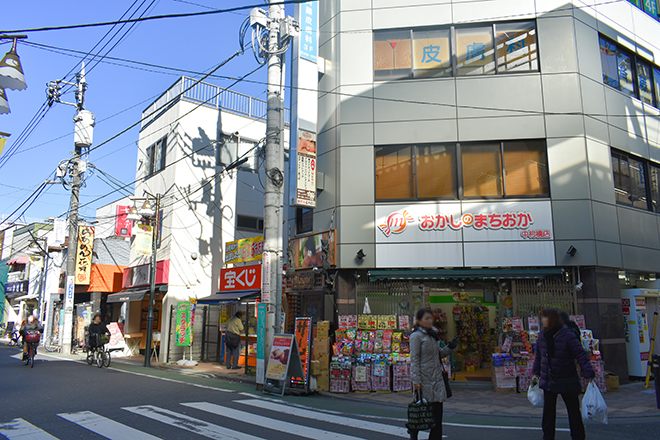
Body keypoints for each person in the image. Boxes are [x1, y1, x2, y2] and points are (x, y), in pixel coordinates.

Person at [532, 308, 595, 440]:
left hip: (567, 377)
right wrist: (536, 371)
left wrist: (588, 371)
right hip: (549, 378)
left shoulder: (567, 335)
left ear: (553, 319)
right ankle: (547, 436)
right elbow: (539, 355)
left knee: (573, 410)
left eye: (545, 318)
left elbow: (580, 354)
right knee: (548, 412)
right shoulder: (543, 335)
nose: (542, 321)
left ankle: (578, 436)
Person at [409, 308, 457, 440]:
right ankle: (414, 431)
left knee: (437, 417)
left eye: (431, 318)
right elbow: (414, 360)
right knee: (423, 413)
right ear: (419, 321)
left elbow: (437, 355)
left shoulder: (433, 335)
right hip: (424, 381)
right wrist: (417, 382)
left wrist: (449, 348)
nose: (430, 321)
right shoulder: (416, 336)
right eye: (427, 318)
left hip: (436, 379)